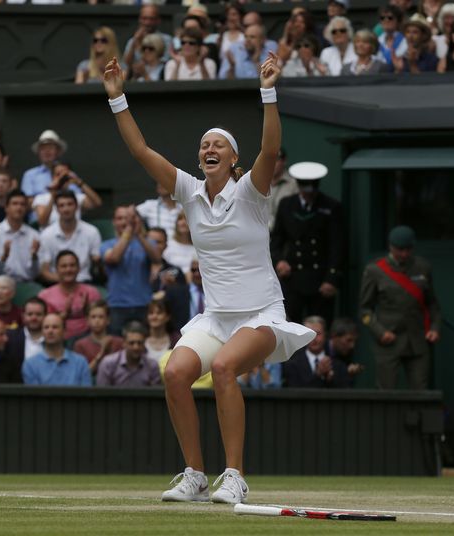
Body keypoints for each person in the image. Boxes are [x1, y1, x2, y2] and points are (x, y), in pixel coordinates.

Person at [103, 53, 314, 504]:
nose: (209, 149)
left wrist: (269, 91)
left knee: (223, 370)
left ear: (234, 159)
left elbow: (271, 150)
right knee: (176, 372)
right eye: (204, 146)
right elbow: (141, 150)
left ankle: (234, 475)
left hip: (261, 315)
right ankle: (195, 474)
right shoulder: (188, 191)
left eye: (219, 145)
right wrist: (118, 97)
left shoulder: (252, 193)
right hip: (216, 318)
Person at [359, 225, 441, 390]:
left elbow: (432, 303)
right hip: (389, 341)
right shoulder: (375, 270)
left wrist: (435, 327)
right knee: (386, 390)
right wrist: (380, 331)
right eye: (400, 250)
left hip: (417, 339)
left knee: (420, 390)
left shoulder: (422, 267)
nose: (404, 254)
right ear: (391, 247)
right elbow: (364, 310)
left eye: (408, 249)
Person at [270, 162, 344, 326]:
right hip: (293, 277)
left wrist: (331, 279)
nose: (308, 194)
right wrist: (279, 261)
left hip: (320, 279)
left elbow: (337, 246)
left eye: (312, 188)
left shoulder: (331, 207)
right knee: (290, 325)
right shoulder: (287, 205)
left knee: (318, 327)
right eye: (304, 189)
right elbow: (276, 240)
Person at [101, 205, 159, 334]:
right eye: (120, 218)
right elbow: (114, 258)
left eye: (128, 219)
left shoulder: (148, 242)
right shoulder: (106, 244)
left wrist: (139, 235)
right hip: (117, 305)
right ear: (114, 222)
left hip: (143, 303)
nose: (124, 222)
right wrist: (129, 230)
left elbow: (156, 259)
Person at [38, 191, 101, 284]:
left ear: (77, 207)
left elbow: (97, 264)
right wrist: (68, 281)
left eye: (70, 204)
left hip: (84, 282)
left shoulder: (92, 232)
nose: (66, 209)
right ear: (57, 209)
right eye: (61, 205)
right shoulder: (46, 235)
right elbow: (45, 272)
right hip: (56, 284)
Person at [38, 250, 102, 341]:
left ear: (79, 268)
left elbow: (101, 321)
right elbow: (44, 325)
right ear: (57, 269)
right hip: (57, 341)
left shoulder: (92, 292)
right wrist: (64, 314)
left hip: (87, 340)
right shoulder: (45, 295)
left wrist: (87, 310)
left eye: (72, 265)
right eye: (64, 266)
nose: (68, 269)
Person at [0, 189, 40, 283]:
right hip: (0, 285)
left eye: (22, 204)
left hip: (26, 284)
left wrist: (34, 257)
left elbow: (36, 273)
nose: (19, 207)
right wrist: (4, 257)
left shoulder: (34, 235)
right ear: (6, 207)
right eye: (15, 203)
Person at [21, 313, 92, 386]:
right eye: (46, 327)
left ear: (64, 331)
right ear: (42, 332)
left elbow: (86, 395)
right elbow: (34, 396)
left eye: (55, 327)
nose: (50, 331)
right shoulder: (30, 365)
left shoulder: (80, 363)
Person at [282, 316, 350, 388]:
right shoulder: (293, 365)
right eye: (309, 334)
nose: (314, 338)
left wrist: (329, 378)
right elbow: (295, 393)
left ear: (325, 335)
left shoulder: (338, 364)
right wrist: (318, 375)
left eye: (318, 334)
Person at [32, 161, 102, 230]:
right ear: (52, 177)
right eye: (58, 174)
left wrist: (79, 182)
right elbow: (42, 222)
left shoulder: (77, 197)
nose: (62, 178)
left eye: (65, 175)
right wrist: (53, 196)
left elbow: (97, 203)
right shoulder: (41, 198)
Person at [147, 227, 190, 332]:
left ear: (165, 246)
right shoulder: (133, 268)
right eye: (151, 242)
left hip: (168, 328)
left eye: (159, 242)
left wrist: (171, 288)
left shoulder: (174, 271)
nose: (154, 246)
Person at [96, 320, 161, 387]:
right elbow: (101, 394)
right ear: (124, 343)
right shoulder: (108, 364)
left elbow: (155, 395)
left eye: (139, 343)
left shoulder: (152, 366)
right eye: (131, 343)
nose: (136, 347)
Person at [21, 130, 77, 200]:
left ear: (58, 151)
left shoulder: (69, 174)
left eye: (50, 148)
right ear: (38, 153)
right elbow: (27, 202)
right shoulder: (29, 175)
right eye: (43, 149)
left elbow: (79, 199)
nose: (47, 151)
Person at [73, 300, 124, 374]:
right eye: (93, 317)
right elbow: (82, 374)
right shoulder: (80, 345)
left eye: (101, 317)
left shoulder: (119, 343)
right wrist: (101, 353)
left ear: (108, 320)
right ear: (87, 320)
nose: (97, 321)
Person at [6, 297, 46, 363]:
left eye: (38, 314)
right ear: (23, 316)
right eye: (30, 314)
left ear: (45, 316)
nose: (34, 318)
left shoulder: (53, 338)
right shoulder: (10, 338)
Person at [326, 317, 363, 382]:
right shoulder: (319, 350)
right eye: (349, 340)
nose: (352, 346)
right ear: (334, 336)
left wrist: (348, 374)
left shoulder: (348, 355)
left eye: (354, 341)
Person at [145, 299, 181, 364]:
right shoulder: (140, 338)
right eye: (151, 313)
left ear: (167, 317)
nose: (154, 316)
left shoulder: (177, 340)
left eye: (159, 313)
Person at [163, 212, 196, 278]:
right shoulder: (167, 244)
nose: (183, 222)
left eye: (187, 219)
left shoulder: (198, 247)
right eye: (180, 219)